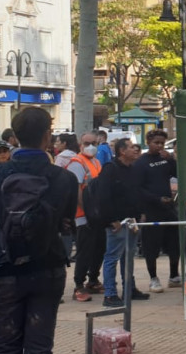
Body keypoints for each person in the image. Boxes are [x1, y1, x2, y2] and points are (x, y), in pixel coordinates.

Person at [0, 107, 78, 354]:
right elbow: (67, 226)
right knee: (38, 352)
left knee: (3, 353)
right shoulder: (64, 179)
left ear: (13, 137)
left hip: (3, 274)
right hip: (47, 271)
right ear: (48, 135)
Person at [98, 138, 150, 307]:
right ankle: (110, 294)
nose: (135, 150)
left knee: (128, 257)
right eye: (131, 147)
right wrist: (112, 220)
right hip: (117, 222)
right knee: (112, 257)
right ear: (121, 151)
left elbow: (137, 192)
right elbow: (103, 196)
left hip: (132, 221)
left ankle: (129, 288)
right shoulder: (110, 169)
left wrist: (140, 213)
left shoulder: (132, 169)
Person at [133, 129, 179, 293]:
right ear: (148, 143)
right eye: (156, 143)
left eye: (162, 143)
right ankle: (153, 278)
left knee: (174, 242)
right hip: (151, 209)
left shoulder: (165, 159)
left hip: (168, 208)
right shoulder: (141, 163)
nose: (159, 146)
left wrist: (172, 159)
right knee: (151, 246)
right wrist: (156, 199)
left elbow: (176, 173)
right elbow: (138, 189)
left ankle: (174, 275)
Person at [67, 132, 107, 302]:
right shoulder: (77, 163)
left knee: (99, 248)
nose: (90, 146)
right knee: (84, 251)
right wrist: (89, 212)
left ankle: (92, 280)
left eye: (93, 143)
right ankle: (78, 285)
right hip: (83, 215)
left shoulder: (96, 162)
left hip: (96, 214)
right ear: (80, 144)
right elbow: (77, 192)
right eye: (86, 143)